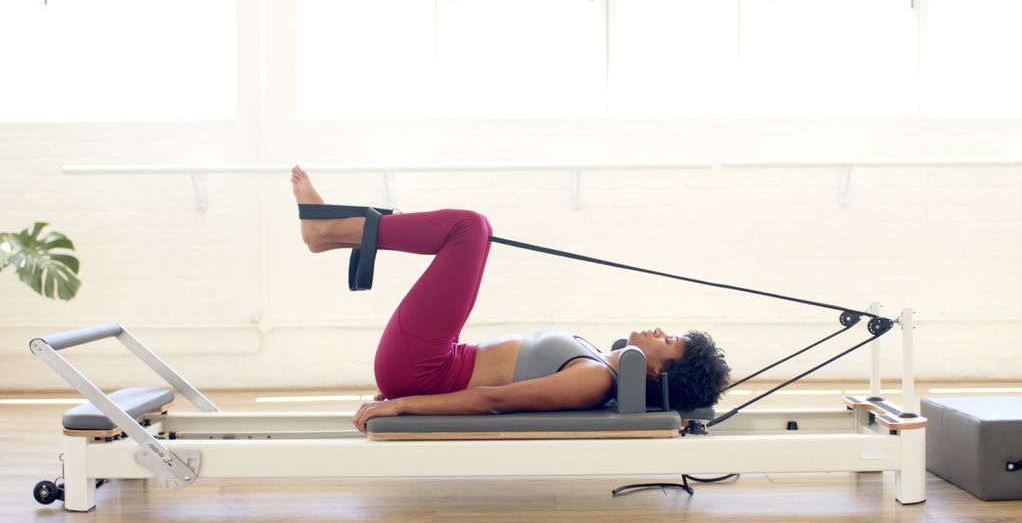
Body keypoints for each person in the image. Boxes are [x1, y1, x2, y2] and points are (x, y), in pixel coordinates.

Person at [290, 165, 730, 432]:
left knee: (470, 228)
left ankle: (329, 230)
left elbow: (492, 401)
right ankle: (331, 235)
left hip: (423, 370)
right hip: (436, 360)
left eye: (668, 342)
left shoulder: (595, 380)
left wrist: (401, 404)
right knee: (475, 232)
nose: (659, 331)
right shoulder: (598, 362)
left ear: (655, 372)